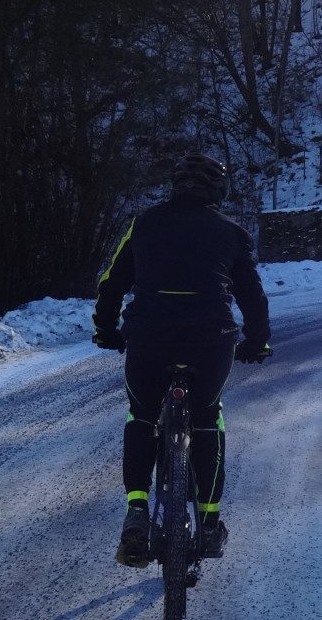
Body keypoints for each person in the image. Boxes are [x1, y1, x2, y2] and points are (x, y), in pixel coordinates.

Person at [94, 153, 272, 567]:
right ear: (220, 190)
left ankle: (137, 511)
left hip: (149, 337)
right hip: (210, 341)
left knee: (141, 416)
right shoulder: (233, 233)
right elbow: (253, 297)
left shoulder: (144, 223)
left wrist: (105, 329)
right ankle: (208, 523)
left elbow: (112, 283)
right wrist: (257, 342)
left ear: (175, 187)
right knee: (208, 418)